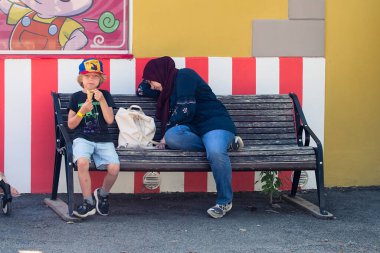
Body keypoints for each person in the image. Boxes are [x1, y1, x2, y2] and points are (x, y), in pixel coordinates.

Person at [136, 56, 243, 219]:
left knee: (214, 153)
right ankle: (227, 145)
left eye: (152, 81)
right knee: (173, 137)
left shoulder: (185, 75)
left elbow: (186, 109)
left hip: (213, 122)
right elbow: (141, 90)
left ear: (160, 75)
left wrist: (164, 135)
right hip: (193, 127)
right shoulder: (167, 87)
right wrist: (150, 81)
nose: (152, 86)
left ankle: (224, 201)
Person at [68, 58, 120, 218]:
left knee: (114, 168)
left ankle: (102, 194)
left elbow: (110, 120)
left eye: (95, 76)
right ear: (81, 79)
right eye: (87, 76)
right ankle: (88, 201)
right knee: (82, 162)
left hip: (103, 138)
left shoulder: (105, 95)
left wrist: (102, 100)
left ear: (100, 80)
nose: (91, 79)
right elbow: (71, 125)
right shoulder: (76, 97)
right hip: (82, 137)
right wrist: (82, 111)